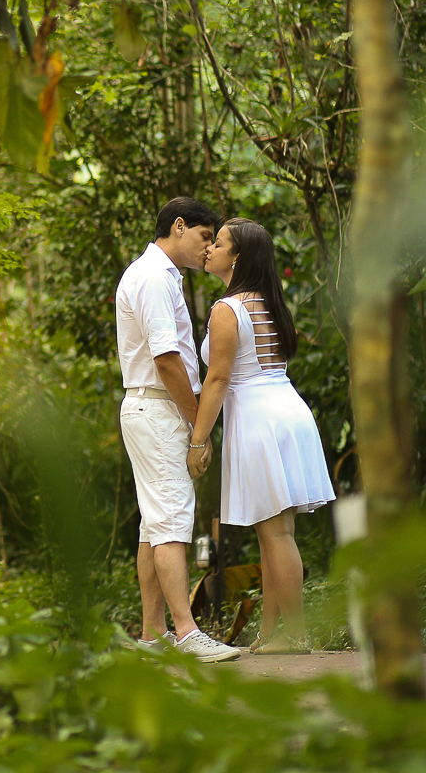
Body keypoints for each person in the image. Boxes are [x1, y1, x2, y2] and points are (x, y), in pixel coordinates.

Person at [189, 217, 336, 654]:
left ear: (237, 256)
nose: (209, 248)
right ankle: (271, 633)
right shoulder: (269, 302)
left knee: (276, 535)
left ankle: (296, 634)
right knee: (273, 533)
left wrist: (198, 440)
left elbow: (217, 379)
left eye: (218, 243)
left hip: (257, 418)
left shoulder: (226, 309)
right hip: (288, 409)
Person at [116, 197, 241, 662]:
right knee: (170, 519)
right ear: (180, 226)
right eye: (205, 237)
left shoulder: (160, 275)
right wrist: (197, 427)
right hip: (158, 407)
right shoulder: (152, 278)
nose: (208, 248)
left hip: (151, 408)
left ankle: (153, 636)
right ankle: (187, 633)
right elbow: (166, 360)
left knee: (154, 524)